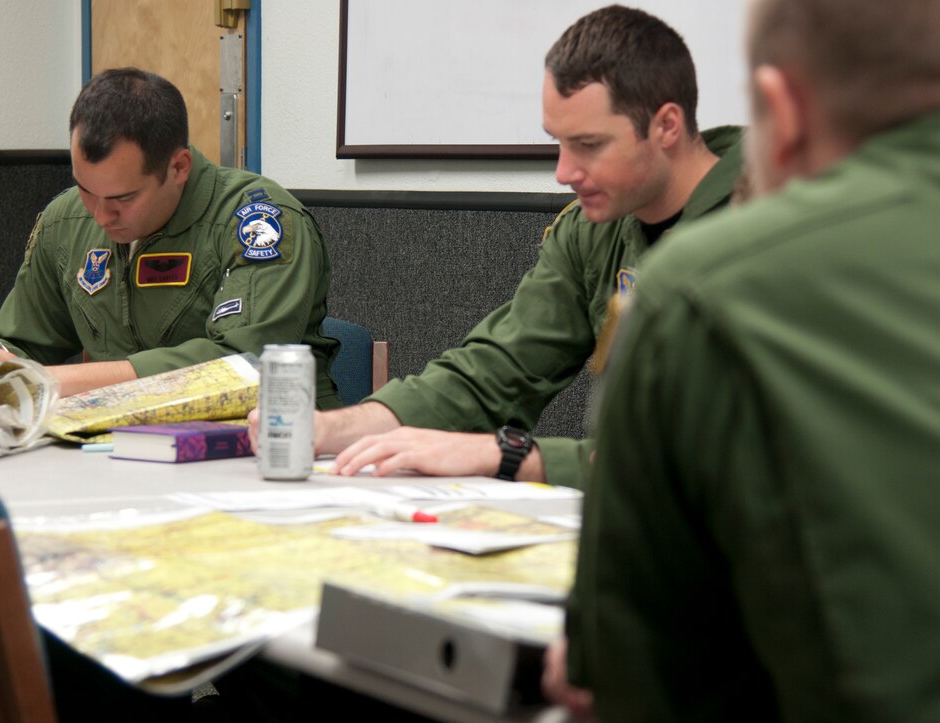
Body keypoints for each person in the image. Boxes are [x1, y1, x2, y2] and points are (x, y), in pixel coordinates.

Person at [555, 0, 940, 719]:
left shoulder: (706, 293)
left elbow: (627, 674)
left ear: (781, 113)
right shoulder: (598, 239)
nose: (567, 171)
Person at [251, 5, 744, 487]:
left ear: (667, 126)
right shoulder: (595, 229)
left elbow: (717, 453)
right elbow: (496, 372)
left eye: (589, 145)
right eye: (558, 142)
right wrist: (334, 428)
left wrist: (512, 457)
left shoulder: (771, 228)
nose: (564, 172)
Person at [0, 67, 340, 405]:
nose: (100, 214)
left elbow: (241, 364)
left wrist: (60, 381)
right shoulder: (64, 221)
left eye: (123, 198)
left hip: (267, 447)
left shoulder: (257, 221)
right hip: (114, 446)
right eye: (85, 189)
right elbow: (21, 340)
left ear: (178, 167)